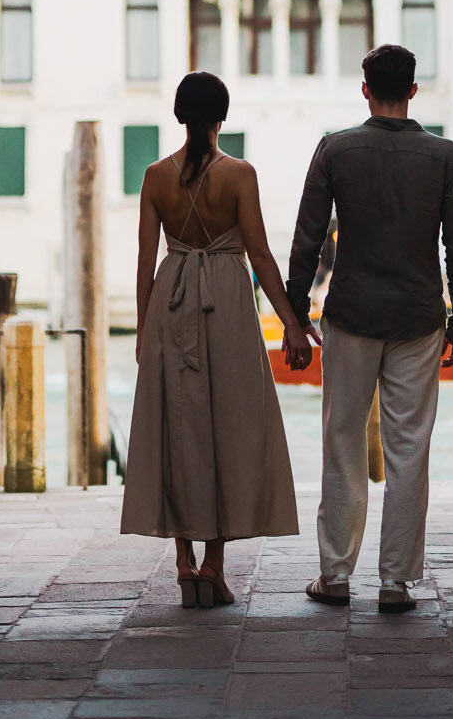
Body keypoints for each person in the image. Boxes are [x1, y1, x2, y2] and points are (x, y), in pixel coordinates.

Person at [285, 43, 453, 614]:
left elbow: (307, 237)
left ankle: (336, 575)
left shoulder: (335, 150)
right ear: (414, 90)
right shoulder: (446, 157)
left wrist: (295, 313)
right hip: (418, 318)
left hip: (351, 315)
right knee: (409, 448)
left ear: (364, 89)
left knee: (342, 441)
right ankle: (395, 582)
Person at [121, 70, 315, 607]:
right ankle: (213, 567)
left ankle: (183, 562)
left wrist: (143, 327)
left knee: (176, 428)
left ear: (179, 116)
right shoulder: (240, 174)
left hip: (171, 301)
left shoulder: (155, 176)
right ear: (222, 117)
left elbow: (144, 261)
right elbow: (261, 255)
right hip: (226, 302)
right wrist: (293, 324)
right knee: (228, 427)